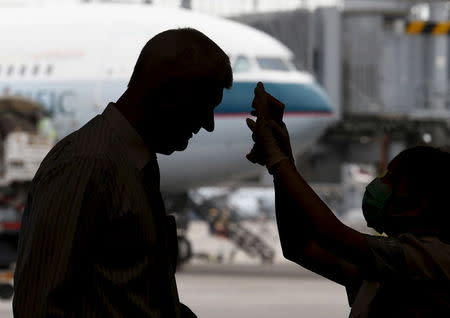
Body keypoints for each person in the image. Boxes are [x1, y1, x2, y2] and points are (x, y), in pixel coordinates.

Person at [13, 28, 233, 317]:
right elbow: (39, 304)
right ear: (168, 94)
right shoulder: (86, 163)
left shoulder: (132, 164)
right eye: (204, 107)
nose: (208, 124)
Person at [246, 82, 450, 317]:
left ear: (420, 201)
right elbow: (298, 246)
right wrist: (282, 163)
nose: (379, 185)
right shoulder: (381, 270)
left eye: (392, 178)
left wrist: (278, 159)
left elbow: (331, 235)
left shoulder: (433, 257)